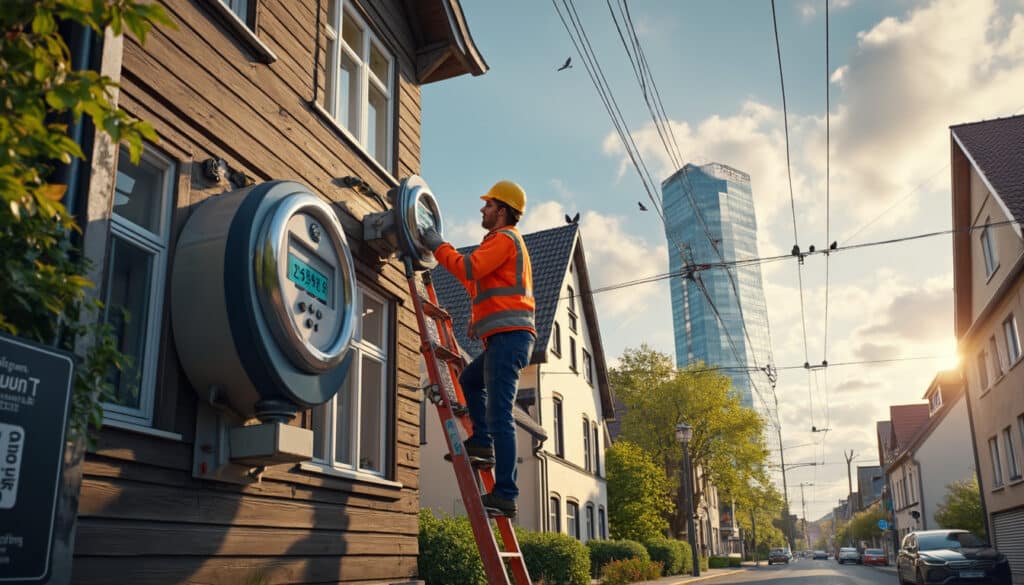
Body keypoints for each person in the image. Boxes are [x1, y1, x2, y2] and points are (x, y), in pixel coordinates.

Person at [420, 180, 535, 518]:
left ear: (502, 210)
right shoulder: (498, 244)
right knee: (470, 381)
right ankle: (482, 444)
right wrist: (476, 317)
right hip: (504, 338)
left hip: (508, 338)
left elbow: (468, 268)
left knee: (501, 415)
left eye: (488, 205)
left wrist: (438, 245)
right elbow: (476, 282)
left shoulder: (505, 239)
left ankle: (505, 494)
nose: (482, 210)